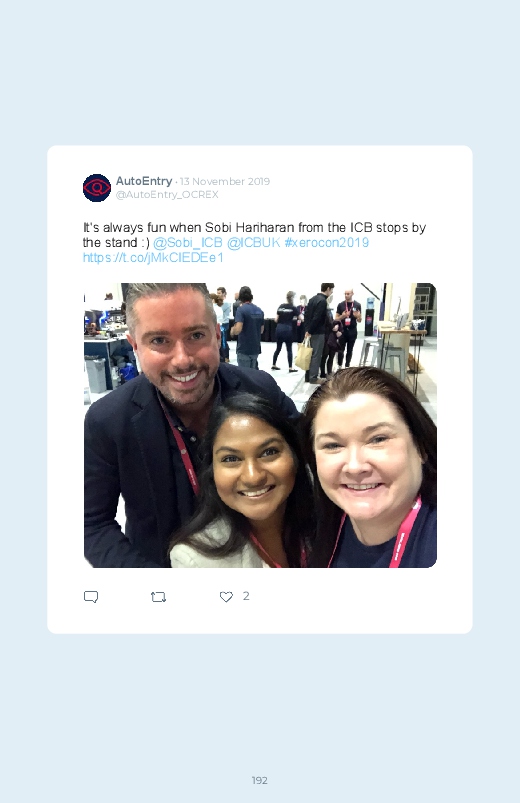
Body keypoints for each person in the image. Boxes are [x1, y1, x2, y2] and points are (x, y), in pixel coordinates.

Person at [84, 283, 299, 568]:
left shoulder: (260, 389)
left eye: (196, 335)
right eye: (159, 340)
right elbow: (92, 524)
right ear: (134, 345)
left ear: (217, 335)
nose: (182, 360)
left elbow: (310, 467)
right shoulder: (109, 421)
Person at [301, 367, 436, 568]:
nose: (355, 467)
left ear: (420, 447)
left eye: (378, 439)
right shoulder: (317, 528)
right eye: (333, 445)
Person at [170, 394, 315, 567]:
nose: (253, 477)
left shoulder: (331, 518)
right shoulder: (196, 562)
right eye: (231, 459)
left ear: (295, 455)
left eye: (269, 452)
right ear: (212, 470)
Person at [304, 283, 335, 384]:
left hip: (310, 331)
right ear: (328, 289)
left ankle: (307, 376)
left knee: (309, 354)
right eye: (331, 290)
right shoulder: (322, 301)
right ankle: (313, 378)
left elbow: (306, 315)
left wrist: (307, 330)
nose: (332, 292)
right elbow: (317, 318)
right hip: (317, 332)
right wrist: (310, 331)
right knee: (316, 355)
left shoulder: (312, 299)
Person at [230, 286, 264, 370]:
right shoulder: (259, 310)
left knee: (244, 374)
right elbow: (261, 330)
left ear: (240, 297)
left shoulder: (241, 310)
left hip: (244, 348)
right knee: (253, 373)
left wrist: (232, 330)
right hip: (255, 348)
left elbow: (238, 329)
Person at [271, 291, 298, 372]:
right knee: (289, 348)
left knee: (278, 348)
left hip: (279, 329)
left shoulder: (281, 306)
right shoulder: (293, 308)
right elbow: (301, 318)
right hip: (288, 329)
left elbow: (276, 319)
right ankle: (290, 367)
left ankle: (273, 364)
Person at [335, 289, 362, 368]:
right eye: (345, 294)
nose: (346, 295)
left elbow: (359, 320)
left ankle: (347, 366)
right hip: (342, 331)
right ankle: (339, 366)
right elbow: (336, 319)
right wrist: (342, 316)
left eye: (348, 294)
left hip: (352, 331)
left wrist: (358, 317)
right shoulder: (340, 305)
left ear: (352, 294)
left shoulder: (357, 305)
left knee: (350, 350)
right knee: (340, 350)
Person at [216, 286, 231, 362]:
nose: (218, 295)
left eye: (219, 293)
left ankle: (226, 357)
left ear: (224, 293)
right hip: (219, 323)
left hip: (224, 323)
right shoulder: (219, 302)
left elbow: (219, 310)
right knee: (222, 341)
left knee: (223, 341)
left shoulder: (226, 303)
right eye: (217, 293)